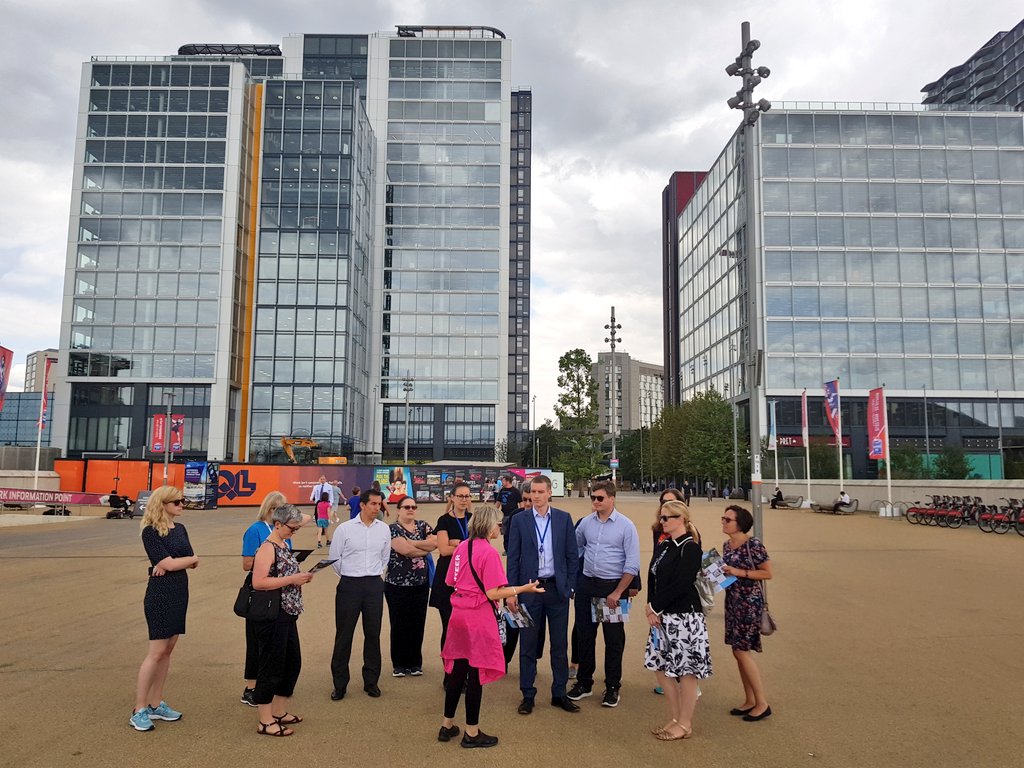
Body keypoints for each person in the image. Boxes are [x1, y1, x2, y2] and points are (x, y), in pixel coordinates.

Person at [438, 504, 546, 748]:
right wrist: (523, 588)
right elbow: (492, 591)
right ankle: (472, 732)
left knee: (457, 670)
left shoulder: (463, 546)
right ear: (489, 525)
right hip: (478, 617)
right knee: (476, 673)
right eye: (498, 524)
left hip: (458, 615)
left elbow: (450, 580)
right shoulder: (488, 553)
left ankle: (447, 725)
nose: (500, 527)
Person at [506, 474, 580, 715]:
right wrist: (512, 591)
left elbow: (572, 556)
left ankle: (559, 692)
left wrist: (569, 586)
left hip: (556, 590)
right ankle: (527, 693)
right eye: (533, 492)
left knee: (559, 644)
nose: (536, 496)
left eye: (540, 492)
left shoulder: (563, 519)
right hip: (529, 590)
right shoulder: (519, 520)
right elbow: (513, 558)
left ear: (549, 492)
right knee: (528, 644)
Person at [129, 486, 198, 732]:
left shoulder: (180, 529)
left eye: (183, 501)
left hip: (179, 592)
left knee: (168, 650)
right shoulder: (150, 532)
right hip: (160, 594)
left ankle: (156, 703)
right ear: (164, 504)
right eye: (178, 501)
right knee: (156, 651)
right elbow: (168, 562)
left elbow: (191, 559)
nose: (182, 505)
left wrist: (176, 563)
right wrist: (173, 563)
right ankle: (139, 709)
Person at [568, 481, 640, 709]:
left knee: (613, 639)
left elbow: (632, 563)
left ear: (612, 499)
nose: (595, 502)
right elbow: (576, 548)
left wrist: (619, 591)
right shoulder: (586, 524)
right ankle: (584, 682)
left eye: (600, 498)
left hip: (611, 589)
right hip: (587, 585)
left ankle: (612, 686)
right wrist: (575, 580)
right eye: (593, 498)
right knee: (584, 636)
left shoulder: (626, 526)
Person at [643, 500, 712, 741]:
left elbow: (682, 583)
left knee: (687, 671)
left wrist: (655, 606)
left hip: (685, 617)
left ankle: (685, 723)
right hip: (662, 617)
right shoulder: (664, 546)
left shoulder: (690, 548)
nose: (661, 522)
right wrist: (651, 606)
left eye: (666, 518)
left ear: (680, 519)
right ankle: (675, 717)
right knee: (661, 668)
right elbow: (653, 577)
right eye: (660, 517)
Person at [250, 504, 315, 737]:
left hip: (288, 612)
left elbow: (304, 517)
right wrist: (292, 579)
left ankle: (278, 710)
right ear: (277, 524)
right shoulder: (268, 548)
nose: (295, 531)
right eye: (292, 528)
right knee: (272, 665)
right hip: (273, 614)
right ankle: (265, 720)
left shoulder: (283, 542)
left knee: (292, 662)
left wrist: (297, 579)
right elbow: (258, 582)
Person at [328, 488, 391, 700]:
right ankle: (340, 684)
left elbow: (385, 558)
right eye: (373, 504)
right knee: (344, 635)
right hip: (349, 585)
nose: (377, 507)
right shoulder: (344, 529)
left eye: (379, 504)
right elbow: (334, 559)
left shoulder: (383, 529)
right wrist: (350, 576)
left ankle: (371, 681)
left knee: (373, 634)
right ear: (362, 505)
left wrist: (373, 576)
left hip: (373, 585)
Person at [720, 504, 773, 721]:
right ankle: (750, 699)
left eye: (727, 519)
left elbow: (768, 573)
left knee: (742, 650)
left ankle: (762, 702)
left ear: (739, 524)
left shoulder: (753, 545)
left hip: (750, 602)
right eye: (723, 518)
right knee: (737, 650)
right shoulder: (727, 545)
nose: (723, 522)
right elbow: (727, 574)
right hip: (733, 600)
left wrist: (738, 572)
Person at [240, 490, 288, 708]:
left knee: (274, 640)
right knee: (256, 639)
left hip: (279, 588)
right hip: (259, 592)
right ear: (271, 510)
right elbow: (247, 564)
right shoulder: (255, 530)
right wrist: (267, 557)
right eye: (281, 509)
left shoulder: (282, 531)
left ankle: (269, 683)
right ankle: (251, 687)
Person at [386, 495, 437, 677]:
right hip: (396, 584)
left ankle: (415, 662)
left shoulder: (423, 526)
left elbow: (435, 543)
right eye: (406, 507)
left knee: (417, 623)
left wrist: (413, 543)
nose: (410, 510)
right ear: (398, 510)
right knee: (399, 623)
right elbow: (404, 550)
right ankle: (399, 663)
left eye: (413, 507)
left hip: (420, 583)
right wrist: (423, 549)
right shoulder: (392, 529)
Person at [649, 488, 686, 695]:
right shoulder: (658, 529)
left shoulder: (690, 533)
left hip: (678, 595)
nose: (666, 506)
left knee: (678, 638)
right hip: (660, 588)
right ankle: (668, 675)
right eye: (663, 502)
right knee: (661, 638)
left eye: (671, 502)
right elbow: (656, 559)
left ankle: (684, 679)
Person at [430, 482, 474, 652]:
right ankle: (449, 673)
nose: (464, 499)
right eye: (461, 496)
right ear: (452, 498)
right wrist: (466, 545)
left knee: (467, 628)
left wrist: (458, 543)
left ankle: (463, 670)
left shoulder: (473, 520)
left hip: (469, 579)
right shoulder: (444, 520)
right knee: (449, 625)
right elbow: (444, 549)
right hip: (448, 577)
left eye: (467, 496)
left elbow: (481, 545)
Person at [495, 475, 522, 552]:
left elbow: (521, 503)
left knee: (514, 533)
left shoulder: (516, 491)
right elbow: (498, 503)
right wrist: (493, 512)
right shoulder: (502, 491)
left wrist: (522, 513)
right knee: (505, 534)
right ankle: (506, 549)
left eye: (503, 481)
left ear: (507, 481)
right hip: (504, 515)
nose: (502, 482)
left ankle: (515, 548)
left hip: (514, 516)